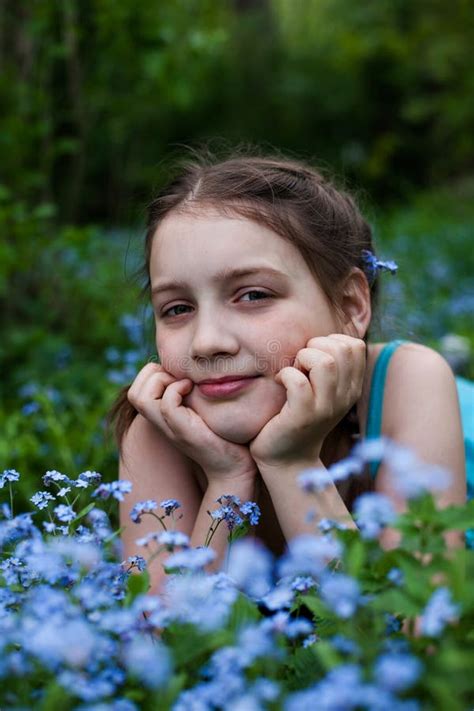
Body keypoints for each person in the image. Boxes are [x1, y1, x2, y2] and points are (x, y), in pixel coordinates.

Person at [111, 152, 466, 595]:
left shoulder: (409, 381)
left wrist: (291, 461)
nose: (206, 342)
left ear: (352, 306)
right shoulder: (160, 426)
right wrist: (227, 478)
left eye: (253, 295)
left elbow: (409, 636)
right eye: (177, 308)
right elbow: (161, 649)